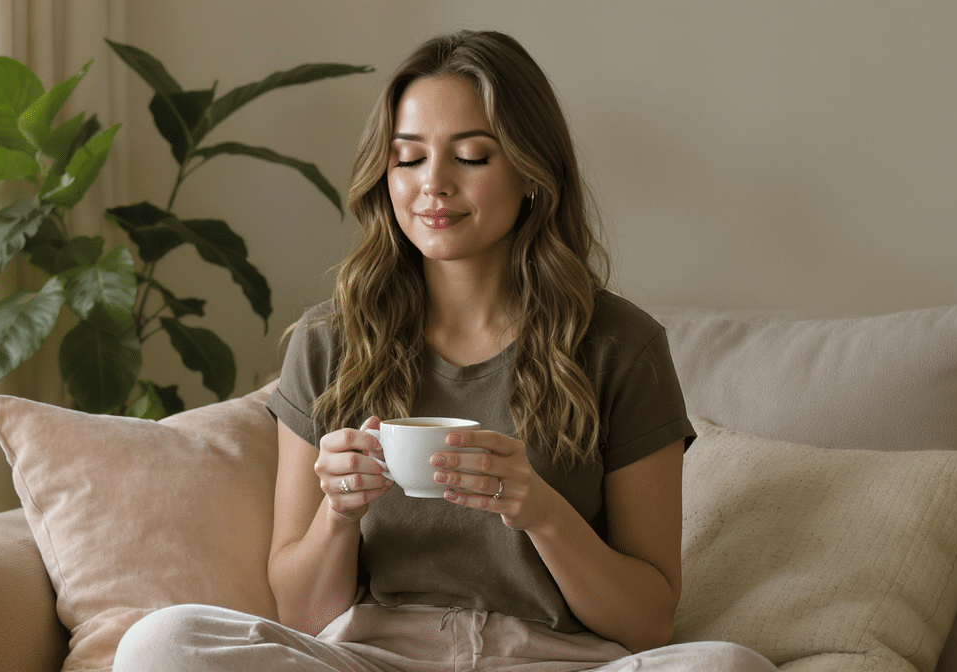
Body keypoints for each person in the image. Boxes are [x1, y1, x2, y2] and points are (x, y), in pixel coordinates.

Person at [112, 30, 777, 672]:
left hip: (559, 661)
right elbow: (301, 612)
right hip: (373, 657)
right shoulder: (327, 342)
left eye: (472, 155)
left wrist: (541, 510)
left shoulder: (620, 348)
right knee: (162, 644)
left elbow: (648, 623)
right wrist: (341, 513)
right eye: (408, 157)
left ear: (533, 174)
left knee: (728, 667)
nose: (433, 184)